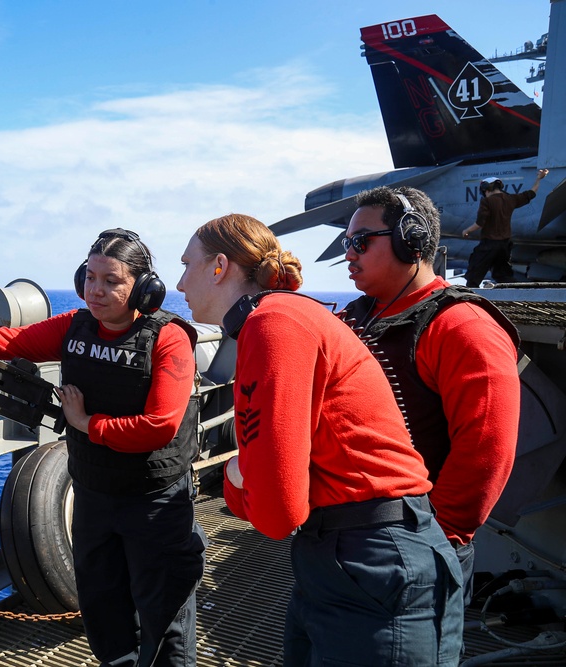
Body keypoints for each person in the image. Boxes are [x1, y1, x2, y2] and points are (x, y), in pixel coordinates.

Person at [0, 229, 207, 667]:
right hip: (94, 493)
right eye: (90, 277)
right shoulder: (74, 327)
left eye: (111, 281)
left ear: (142, 287)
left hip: (154, 502)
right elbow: (10, 342)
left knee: (164, 616)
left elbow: (159, 426)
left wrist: (85, 423)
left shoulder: (167, 338)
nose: (95, 290)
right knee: (103, 607)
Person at [176, 213, 463, 666]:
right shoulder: (281, 317)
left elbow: (276, 514)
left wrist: (234, 475)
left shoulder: (274, 325)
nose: (179, 284)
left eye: (186, 264)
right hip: (345, 552)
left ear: (219, 266)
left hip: (373, 558)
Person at [339, 186, 520, 606]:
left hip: (410, 552)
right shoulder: (355, 319)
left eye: (360, 242)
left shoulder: (462, 327)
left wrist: (431, 541)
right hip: (339, 542)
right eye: (347, 243)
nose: (349, 254)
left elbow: (485, 451)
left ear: (411, 239)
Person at [460, 168, 549, 287]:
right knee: (503, 275)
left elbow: (480, 223)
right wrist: (539, 178)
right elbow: (531, 193)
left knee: (474, 276)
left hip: (489, 245)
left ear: (486, 189)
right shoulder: (511, 199)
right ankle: (517, 294)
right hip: (505, 245)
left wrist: (467, 230)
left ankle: (470, 298)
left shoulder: (487, 201)